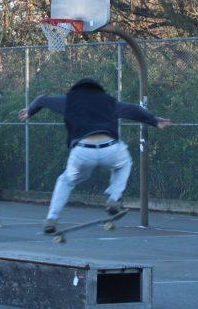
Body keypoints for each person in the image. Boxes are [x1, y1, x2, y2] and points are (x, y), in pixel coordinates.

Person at [19, 78, 170, 234]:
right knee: (124, 164)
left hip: (82, 152)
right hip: (110, 149)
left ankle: (52, 218)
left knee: (66, 180)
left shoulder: (70, 101)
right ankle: (114, 198)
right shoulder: (107, 101)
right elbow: (134, 110)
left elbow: (42, 99)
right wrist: (154, 121)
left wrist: (30, 110)